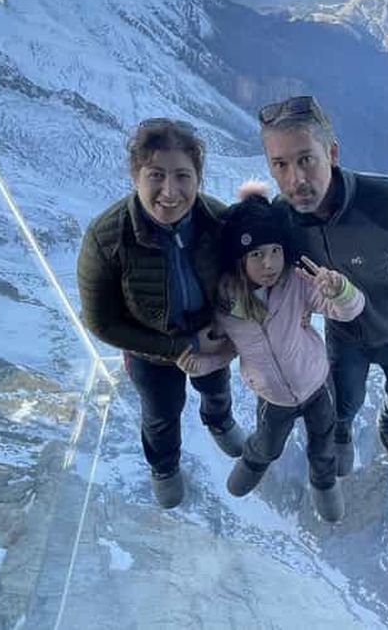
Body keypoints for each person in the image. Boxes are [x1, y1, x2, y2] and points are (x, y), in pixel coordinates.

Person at [257, 96, 388, 484]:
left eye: (306, 159)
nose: (295, 179)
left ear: (331, 153)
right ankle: (341, 435)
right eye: (280, 165)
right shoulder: (282, 220)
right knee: (343, 401)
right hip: (345, 335)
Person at [76, 118, 245, 509]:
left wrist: (224, 328)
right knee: (160, 414)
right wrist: (180, 346)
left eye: (183, 176)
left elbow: (242, 275)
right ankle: (165, 467)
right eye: (156, 175)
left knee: (216, 387)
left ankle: (218, 421)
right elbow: (101, 321)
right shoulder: (107, 238)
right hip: (150, 353)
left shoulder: (217, 221)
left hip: (209, 336)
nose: (170, 192)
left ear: (198, 178)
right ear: (135, 175)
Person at [176, 183, 365, 522]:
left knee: (324, 441)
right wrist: (202, 364)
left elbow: (348, 311)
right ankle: (254, 462)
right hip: (273, 396)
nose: (269, 263)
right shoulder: (226, 305)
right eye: (257, 254)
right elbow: (228, 350)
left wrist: (340, 291)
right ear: (239, 259)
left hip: (316, 383)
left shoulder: (296, 282)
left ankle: (323, 483)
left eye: (276, 250)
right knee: (268, 442)